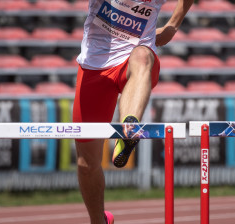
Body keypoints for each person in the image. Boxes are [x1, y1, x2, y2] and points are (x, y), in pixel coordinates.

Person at [72, 0, 194, 223]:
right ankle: (99, 220)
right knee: (86, 164)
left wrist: (172, 26)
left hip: (135, 58)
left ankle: (129, 130)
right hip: (94, 67)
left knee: (142, 55)